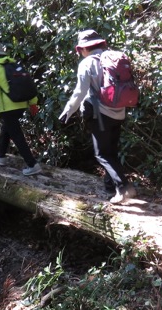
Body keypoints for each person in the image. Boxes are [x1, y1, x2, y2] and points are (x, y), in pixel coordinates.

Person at [58, 30, 136, 204]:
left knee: (101, 154)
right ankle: (110, 185)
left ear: (82, 49)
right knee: (112, 151)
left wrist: (67, 112)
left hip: (101, 115)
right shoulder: (113, 59)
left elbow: (80, 92)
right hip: (120, 112)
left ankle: (123, 188)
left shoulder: (87, 63)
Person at [0, 42, 42, 176]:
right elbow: (27, 85)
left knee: (16, 135)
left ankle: (32, 164)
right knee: (7, 129)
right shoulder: (14, 64)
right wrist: (33, 103)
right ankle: (1, 156)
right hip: (21, 104)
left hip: (8, 107)